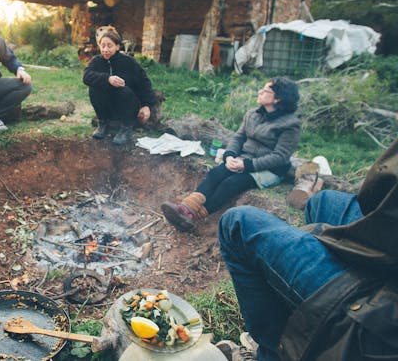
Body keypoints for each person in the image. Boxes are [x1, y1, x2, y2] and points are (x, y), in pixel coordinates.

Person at [217, 138, 398, 361]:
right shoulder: (256, 115)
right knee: (322, 202)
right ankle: (300, 329)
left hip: (382, 318)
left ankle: (273, 352)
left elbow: (383, 183)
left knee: (237, 223)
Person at [161, 77, 300, 232]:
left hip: (269, 169)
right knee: (216, 173)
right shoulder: (253, 114)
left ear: (278, 98)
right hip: (245, 160)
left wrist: (247, 165)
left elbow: (280, 156)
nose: (260, 92)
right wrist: (230, 156)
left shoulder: (290, 125)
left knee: (231, 183)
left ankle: (193, 217)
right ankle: (185, 208)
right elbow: (238, 137)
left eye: (266, 90)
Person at [82, 26, 157, 145]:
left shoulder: (128, 62)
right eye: (103, 46)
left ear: (117, 46)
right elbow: (86, 76)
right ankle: (103, 123)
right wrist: (107, 78)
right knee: (94, 88)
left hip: (128, 106)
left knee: (122, 90)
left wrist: (146, 105)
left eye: (109, 46)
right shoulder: (96, 61)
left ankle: (126, 128)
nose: (106, 49)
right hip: (109, 108)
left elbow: (144, 83)